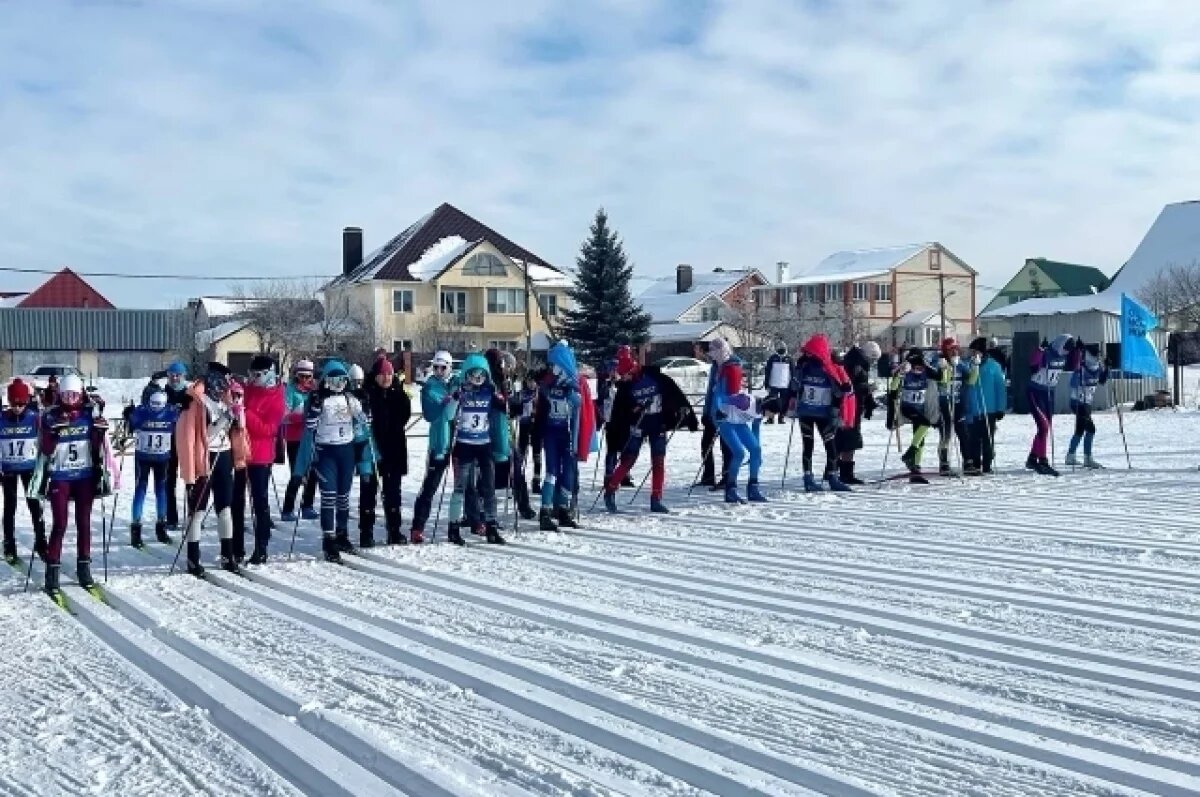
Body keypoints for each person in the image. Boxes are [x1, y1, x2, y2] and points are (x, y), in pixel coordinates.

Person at [33, 374, 110, 594]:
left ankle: (84, 568)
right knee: (60, 524)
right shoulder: (50, 416)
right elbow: (45, 450)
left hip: (84, 476)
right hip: (60, 477)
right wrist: (54, 434)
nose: (70, 398)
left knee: (84, 523)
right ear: (60, 394)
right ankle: (52, 571)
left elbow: (96, 447)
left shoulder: (87, 414)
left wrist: (99, 431)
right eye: (66, 394)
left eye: (74, 394)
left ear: (80, 394)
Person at [293, 359, 375, 563]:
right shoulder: (319, 398)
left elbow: (364, 420)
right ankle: (328, 539)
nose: (338, 383)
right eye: (333, 379)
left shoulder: (349, 398)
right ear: (325, 380)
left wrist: (365, 405)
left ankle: (342, 534)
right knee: (329, 495)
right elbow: (309, 425)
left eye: (341, 379)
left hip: (346, 451)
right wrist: (313, 407)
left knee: (343, 496)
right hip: (326, 451)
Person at [602, 345, 698, 513]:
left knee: (658, 462)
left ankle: (656, 499)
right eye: (624, 375)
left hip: (657, 423)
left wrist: (682, 408)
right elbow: (621, 411)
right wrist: (635, 410)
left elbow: (674, 393)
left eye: (629, 373)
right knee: (628, 460)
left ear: (635, 367)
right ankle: (610, 490)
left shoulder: (655, 377)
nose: (626, 378)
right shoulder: (625, 387)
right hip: (637, 425)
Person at [177, 362, 248, 576]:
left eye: (225, 386)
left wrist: (238, 410)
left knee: (225, 508)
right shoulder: (198, 403)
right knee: (198, 510)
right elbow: (204, 435)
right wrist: (225, 417)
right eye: (220, 385)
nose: (222, 389)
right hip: (205, 457)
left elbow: (238, 427)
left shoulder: (226, 400)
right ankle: (192, 557)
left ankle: (227, 555)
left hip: (224, 455)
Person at [444, 353, 508, 545]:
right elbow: (448, 415)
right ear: (466, 375)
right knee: (461, 488)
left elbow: (506, 408)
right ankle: (453, 528)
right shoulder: (462, 391)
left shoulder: (489, 391)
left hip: (484, 445)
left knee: (489, 488)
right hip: (464, 445)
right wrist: (455, 398)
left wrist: (507, 396)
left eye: (481, 376)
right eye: (473, 375)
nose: (477, 379)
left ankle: (491, 526)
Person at [788, 334, 853, 492]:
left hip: (824, 414)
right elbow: (794, 386)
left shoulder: (828, 367)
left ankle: (832, 477)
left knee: (830, 446)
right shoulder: (803, 366)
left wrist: (843, 389)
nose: (808, 355)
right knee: (808, 445)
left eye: (811, 352)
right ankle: (809, 478)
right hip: (806, 412)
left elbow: (839, 388)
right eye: (807, 352)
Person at [706, 338, 765, 503]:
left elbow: (756, 427)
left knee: (755, 449)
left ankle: (753, 487)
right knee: (738, 452)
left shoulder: (755, 404)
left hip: (737, 416)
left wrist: (757, 453)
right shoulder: (723, 370)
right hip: (725, 417)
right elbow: (718, 395)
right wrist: (717, 411)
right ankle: (730, 488)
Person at [409, 350, 457, 544]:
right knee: (430, 486)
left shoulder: (456, 382)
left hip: (461, 438)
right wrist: (450, 402)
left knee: (466, 484)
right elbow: (433, 414)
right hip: (440, 442)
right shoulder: (430, 387)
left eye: (442, 367)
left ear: (449, 368)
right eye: (436, 367)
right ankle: (418, 526)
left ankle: (474, 519)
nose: (438, 371)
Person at [362, 355, 411, 545]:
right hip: (373, 448)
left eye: (389, 374)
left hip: (394, 448)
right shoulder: (368, 394)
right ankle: (366, 531)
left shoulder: (398, 394)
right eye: (382, 374)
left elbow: (403, 416)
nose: (386, 378)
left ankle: (394, 529)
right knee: (369, 491)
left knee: (393, 492)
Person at [242, 355, 285, 564]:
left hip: (260, 455)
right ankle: (236, 544)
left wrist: (246, 414)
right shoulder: (248, 389)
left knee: (259, 499)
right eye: (251, 374)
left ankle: (262, 544)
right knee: (236, 499)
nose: (253, 379)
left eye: (257, 375)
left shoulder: (276, 396)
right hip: (240, 451)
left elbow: (269, 429)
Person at [536, 342, 584, 530]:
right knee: (552, 472)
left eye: (554, 365)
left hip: (566, 434)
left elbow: (576, 418)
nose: (551, 369)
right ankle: (545, 511)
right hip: (551, 433)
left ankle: (563, 510)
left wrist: (575, 441)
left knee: (569, 474)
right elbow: (540, 406)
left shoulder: (573, 390)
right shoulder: (547, 385)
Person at [127, 386, 180, 547]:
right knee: (150, 491)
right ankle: (144, 529)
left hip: (155, 458)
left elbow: (131, 425)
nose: (156, 408)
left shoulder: (143, 411)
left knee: (154, 491)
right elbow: (130, 427)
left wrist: (129, 416)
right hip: (152, 457)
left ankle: (155, 527)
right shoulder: (170, 412)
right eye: (154, 404)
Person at [1, 379, 46, 564]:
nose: (17, 407)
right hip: (8, 470)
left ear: (26, 402)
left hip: (29, 469)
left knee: (35, 505)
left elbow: (46, 441)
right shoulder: (2, 419)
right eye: (14, 403)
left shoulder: (35, 418)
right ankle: (9, 543)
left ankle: (41, 541)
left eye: (21, 403)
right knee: (10, 507)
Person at [887, 348, 942, 484]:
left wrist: (943, 367)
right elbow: (893, 391)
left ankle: (915, 469)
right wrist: (899, 375)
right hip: (907, 408)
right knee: (925, 424)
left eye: (921, 367)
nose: (919, 370)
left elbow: (939, 377)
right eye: (916, 367)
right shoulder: (906, 373)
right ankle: (910, 453)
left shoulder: (925, 371)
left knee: (920, 438)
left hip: (920, 408)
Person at [1027, 334, 1073, 476]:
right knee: (1043, 426)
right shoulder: (1047, 353)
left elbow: (1074, 365)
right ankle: (1043, 461)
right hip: (1036, 391)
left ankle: (1033, 458)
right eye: (1066, 348)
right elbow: (1033, 365)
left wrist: (1077, 351)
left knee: (1045, 428)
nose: (1066, 352)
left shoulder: (1063, 356)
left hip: (1049, 393)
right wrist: (1040, 349)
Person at [280, 360, 319, 521]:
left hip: (312, 436)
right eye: (301, 376)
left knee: (313, 472)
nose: (305, 380)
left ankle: (307, 505)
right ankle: (288, 509)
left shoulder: (315, 390)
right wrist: (301, 415)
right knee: (297, 473)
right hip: (295, 437)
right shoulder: (290, 390)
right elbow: (284, 415)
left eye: (308, 376)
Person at [835, 342, 878, 485]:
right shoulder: (856, 364)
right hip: (850, 407)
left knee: (841, 439)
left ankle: (832, 471)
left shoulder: (854, 360)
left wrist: (869, 400)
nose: (873, 362)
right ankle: (845, 474)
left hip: (850, 406)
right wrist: (868, 389)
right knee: (849, 439)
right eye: (873, 359)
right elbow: (851, 386)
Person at [1065, 340, 1108, 469]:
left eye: (1098, 354)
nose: (1097, 356)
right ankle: (1087, 458)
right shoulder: (1081, 367)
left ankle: (1071, 456)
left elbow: (1102, 381)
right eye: (1095, 354)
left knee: (1080, 430)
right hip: (1078, 402)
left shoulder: (1097, 366)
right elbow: (1072, 383)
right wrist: (1077, 375)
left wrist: (1107, 368)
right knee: (1090, 429)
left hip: (1087, 402)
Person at [968, 338, 1006, 473]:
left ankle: (987, 463)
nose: (972, 354)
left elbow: (1000, 388)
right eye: (971, 352)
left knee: (988, 437)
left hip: (989, 408)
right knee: (973, 437)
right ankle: (975, 462)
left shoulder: (993, 366)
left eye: (975, 351)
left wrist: (1001, 408)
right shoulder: (968, 365)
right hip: (973, 408)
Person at [698, 342, 733, 490]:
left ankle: (727, 476)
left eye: (713, 351)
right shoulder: (714, 366)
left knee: (726, 447)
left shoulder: (730, 366)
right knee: (706, 443)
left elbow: (733, 391)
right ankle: (708, 475)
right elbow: (710, 392)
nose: (711, 354)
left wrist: (728, 410)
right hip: (712, 412)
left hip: (725, 413)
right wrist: (706, 412)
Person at [162, 360, 192, 531]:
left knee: (190, 480)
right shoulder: (163, 393)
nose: (174, 378)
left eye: (178, 375)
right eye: (172, 375)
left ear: (184, 376)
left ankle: (193, 516)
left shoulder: (190, 393)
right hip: (168, 442)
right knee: (169, 481)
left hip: (187, 442)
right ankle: (171, 518)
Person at [762, 343, 794, 424]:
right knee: (771, 402)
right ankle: (770, 418)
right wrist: (766, 383)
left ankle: (781, 417)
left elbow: (793, 373)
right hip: (773, 384)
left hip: (785, 385)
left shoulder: (789, 359)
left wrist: (793, 385)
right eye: (780, 348)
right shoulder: (772, 358)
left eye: (783, 348)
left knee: (784, 402)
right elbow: (768, 371)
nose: (781, 349)